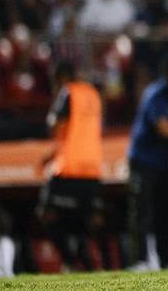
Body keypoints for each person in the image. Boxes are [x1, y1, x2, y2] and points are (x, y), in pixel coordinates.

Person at [37, 61, 106, 271]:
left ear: (60, 78)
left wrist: (50, 118)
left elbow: (55, 124)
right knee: (86, 218)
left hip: (70, 167)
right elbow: (80, 133)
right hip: (93, 166)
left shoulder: (67, 92)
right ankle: (96, 264)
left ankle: (69, 260)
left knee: (46, 213)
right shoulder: (93, 94)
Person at [127, 53, 168, 270]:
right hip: (144, 161)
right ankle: (140, 261)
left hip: (164, 162)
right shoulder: (156, 94)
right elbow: (164, 128)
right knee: (142, 213)